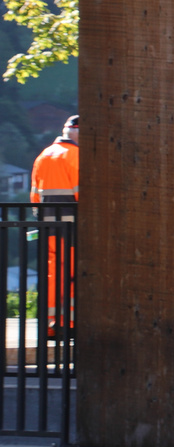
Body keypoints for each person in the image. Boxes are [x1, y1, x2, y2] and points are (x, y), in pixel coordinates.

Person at [29, 115, 78, 336]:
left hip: (49, 226)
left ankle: (50, 323)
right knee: (74, 274)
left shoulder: (43, 155)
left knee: (54, 273)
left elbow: (35, 196)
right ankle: (70, 323)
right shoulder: (76, 156)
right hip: (73, 228)